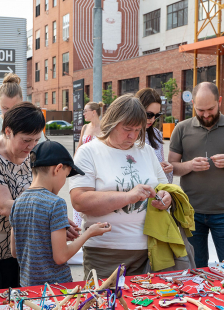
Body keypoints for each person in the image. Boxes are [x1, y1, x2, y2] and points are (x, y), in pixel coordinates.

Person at [70, 94, 172, 278]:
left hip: (149, 250)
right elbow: (79, 201)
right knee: (105, 304)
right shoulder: (88, 152)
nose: (132, 136)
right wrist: (128, 197)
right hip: (104, 252)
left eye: (138, 130)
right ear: (112, 122)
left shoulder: (146, 151)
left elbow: (165, 187)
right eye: (127, 129)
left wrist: (166, 197)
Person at [168, 82, 224, 268]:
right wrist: (189, 165)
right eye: (200, 110)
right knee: (195, 268)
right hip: (190, 211)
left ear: (219, 101)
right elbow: (171, 166)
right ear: (193, 105)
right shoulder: (181, 128)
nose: (205, 115)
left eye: (210, 109)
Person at [10, 140, 111, 286]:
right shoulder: (56, 203)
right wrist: (89, 233)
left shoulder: (17, 202)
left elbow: (15, 251)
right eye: (66, 175)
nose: (64, 182)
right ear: (57, 169)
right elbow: (60, 257)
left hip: (28, 288)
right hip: (56, 288)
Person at [0, 102, 46, 290]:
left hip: (21, 247)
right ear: (7, 131)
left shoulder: (32, 155)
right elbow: (4, 206)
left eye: (36, 140)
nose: (31, 146)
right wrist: (49, 212)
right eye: (26, 140)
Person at [72, 101, 103, 228]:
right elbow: (79, 148)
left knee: (93, 198)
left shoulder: (105, 127)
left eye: (86, 111)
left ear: (94, 112)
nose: (83, 113)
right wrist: (72, 164)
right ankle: (78, 228)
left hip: (98, 168)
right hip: (82, 168)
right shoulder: (85, 127)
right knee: (79, 196)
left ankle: (93, 228)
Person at [134, 88, 174, 184]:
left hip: (156, 191)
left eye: (156, 115)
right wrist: (154, 167)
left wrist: (168, 168)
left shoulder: (156, 134)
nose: (152, 119)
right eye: (149, 115)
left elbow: (161, 163)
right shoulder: (127, 134)